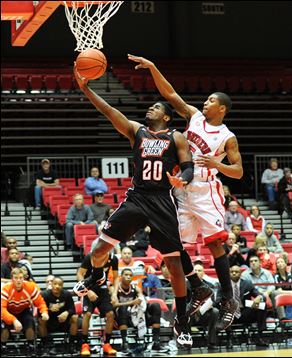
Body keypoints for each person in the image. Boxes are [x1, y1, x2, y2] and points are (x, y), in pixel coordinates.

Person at [74, 65, 198, 348]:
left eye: (155, 107)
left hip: (162, 200)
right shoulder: (136, 131)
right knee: (98, 249)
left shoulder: (175, 136)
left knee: (174, 264)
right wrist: (86, 89)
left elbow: (188, 167)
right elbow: (108, 111)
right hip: (138, 196)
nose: (149, 110)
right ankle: (96, 274)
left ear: (165, 116)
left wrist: (182, 179)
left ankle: (182, 320)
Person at [127, 54, 243, 331]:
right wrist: (154, 67)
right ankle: (200, 288)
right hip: (180, 188)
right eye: (207, 100)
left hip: (206, 189)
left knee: (215, 243)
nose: (206, 102)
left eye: (212, 100)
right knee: (173, 246)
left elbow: (238, 171)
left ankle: (228, 299)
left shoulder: (227, 136)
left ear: (223, 108)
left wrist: (218, 164)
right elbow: (170, 93)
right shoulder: (195, 117)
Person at [75, 244, 119, 356]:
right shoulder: (90, 256)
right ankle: (85, 344)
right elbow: (80, 274)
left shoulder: (113, 258)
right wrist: (87, 291)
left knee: (110, 314)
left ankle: (107, 344)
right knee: (87, 314)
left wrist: (114, 293)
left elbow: (116, 276)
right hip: (89, 288)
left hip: (103, 289)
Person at [113, 268, 166, 354]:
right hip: (122, 319)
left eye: (130, 275)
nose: (128, 277)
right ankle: (124, 343)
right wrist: (131, 302)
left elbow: (141, 299)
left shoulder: (136, 288)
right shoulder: (115, 288)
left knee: (156, 306)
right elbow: (114, 305)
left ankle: (156, 342)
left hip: (137, 317)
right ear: (120, 277)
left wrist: (142, 300)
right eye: (126, 275)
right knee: (123, 309)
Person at [1, 267, 49, 355]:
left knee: (30, 323)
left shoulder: (31, 286)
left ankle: (31, 346)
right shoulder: (5, 289)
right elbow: (2, 309)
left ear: (24, 278)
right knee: (4, 328)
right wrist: (14, 320)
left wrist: (44, 312)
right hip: (8, 311)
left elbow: (40, 302)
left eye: (20, 278)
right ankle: (3, 346)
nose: (18, 280)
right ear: (12, 279)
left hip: (24, 310)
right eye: (16, 278)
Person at [224, 265, 269, 347]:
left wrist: (259, 297)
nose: (234, 273)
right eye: (232, 272)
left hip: (245, 310)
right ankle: (229, 339)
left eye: (236, 272)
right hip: (230, 312)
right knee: (225, 310)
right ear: (229, 273)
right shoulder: (224, 285)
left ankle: (260, 336)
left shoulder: (247, 283)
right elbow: (218, 300)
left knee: (262, 305)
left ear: (240, 273)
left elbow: (260, 295)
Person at [39, 276, 78, 355]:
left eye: (59, 284)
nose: (57, 286)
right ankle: (46, 345)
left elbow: (73, 310)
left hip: (63, 322)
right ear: (51, 285)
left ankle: (71, 344)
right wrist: (49, 310)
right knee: (41, 319)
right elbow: (39, 311)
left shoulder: (67, 294)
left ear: (62, 286)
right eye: (55, 284)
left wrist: (66, 313)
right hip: (49, 322)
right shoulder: (44, 294)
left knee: (75, 317)